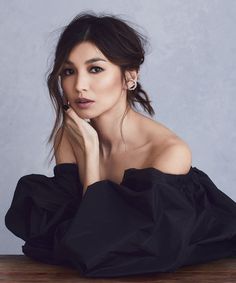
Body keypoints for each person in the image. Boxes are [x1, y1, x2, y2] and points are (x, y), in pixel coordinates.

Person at [5, 11, 236, 278]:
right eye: (69, 71)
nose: (79, 85)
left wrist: (90, 159)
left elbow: (106, 251)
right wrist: (90, 150)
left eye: (95, 69)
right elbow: (82, 241)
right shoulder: (70, 138)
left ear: (129, 77)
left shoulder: (167, 152)